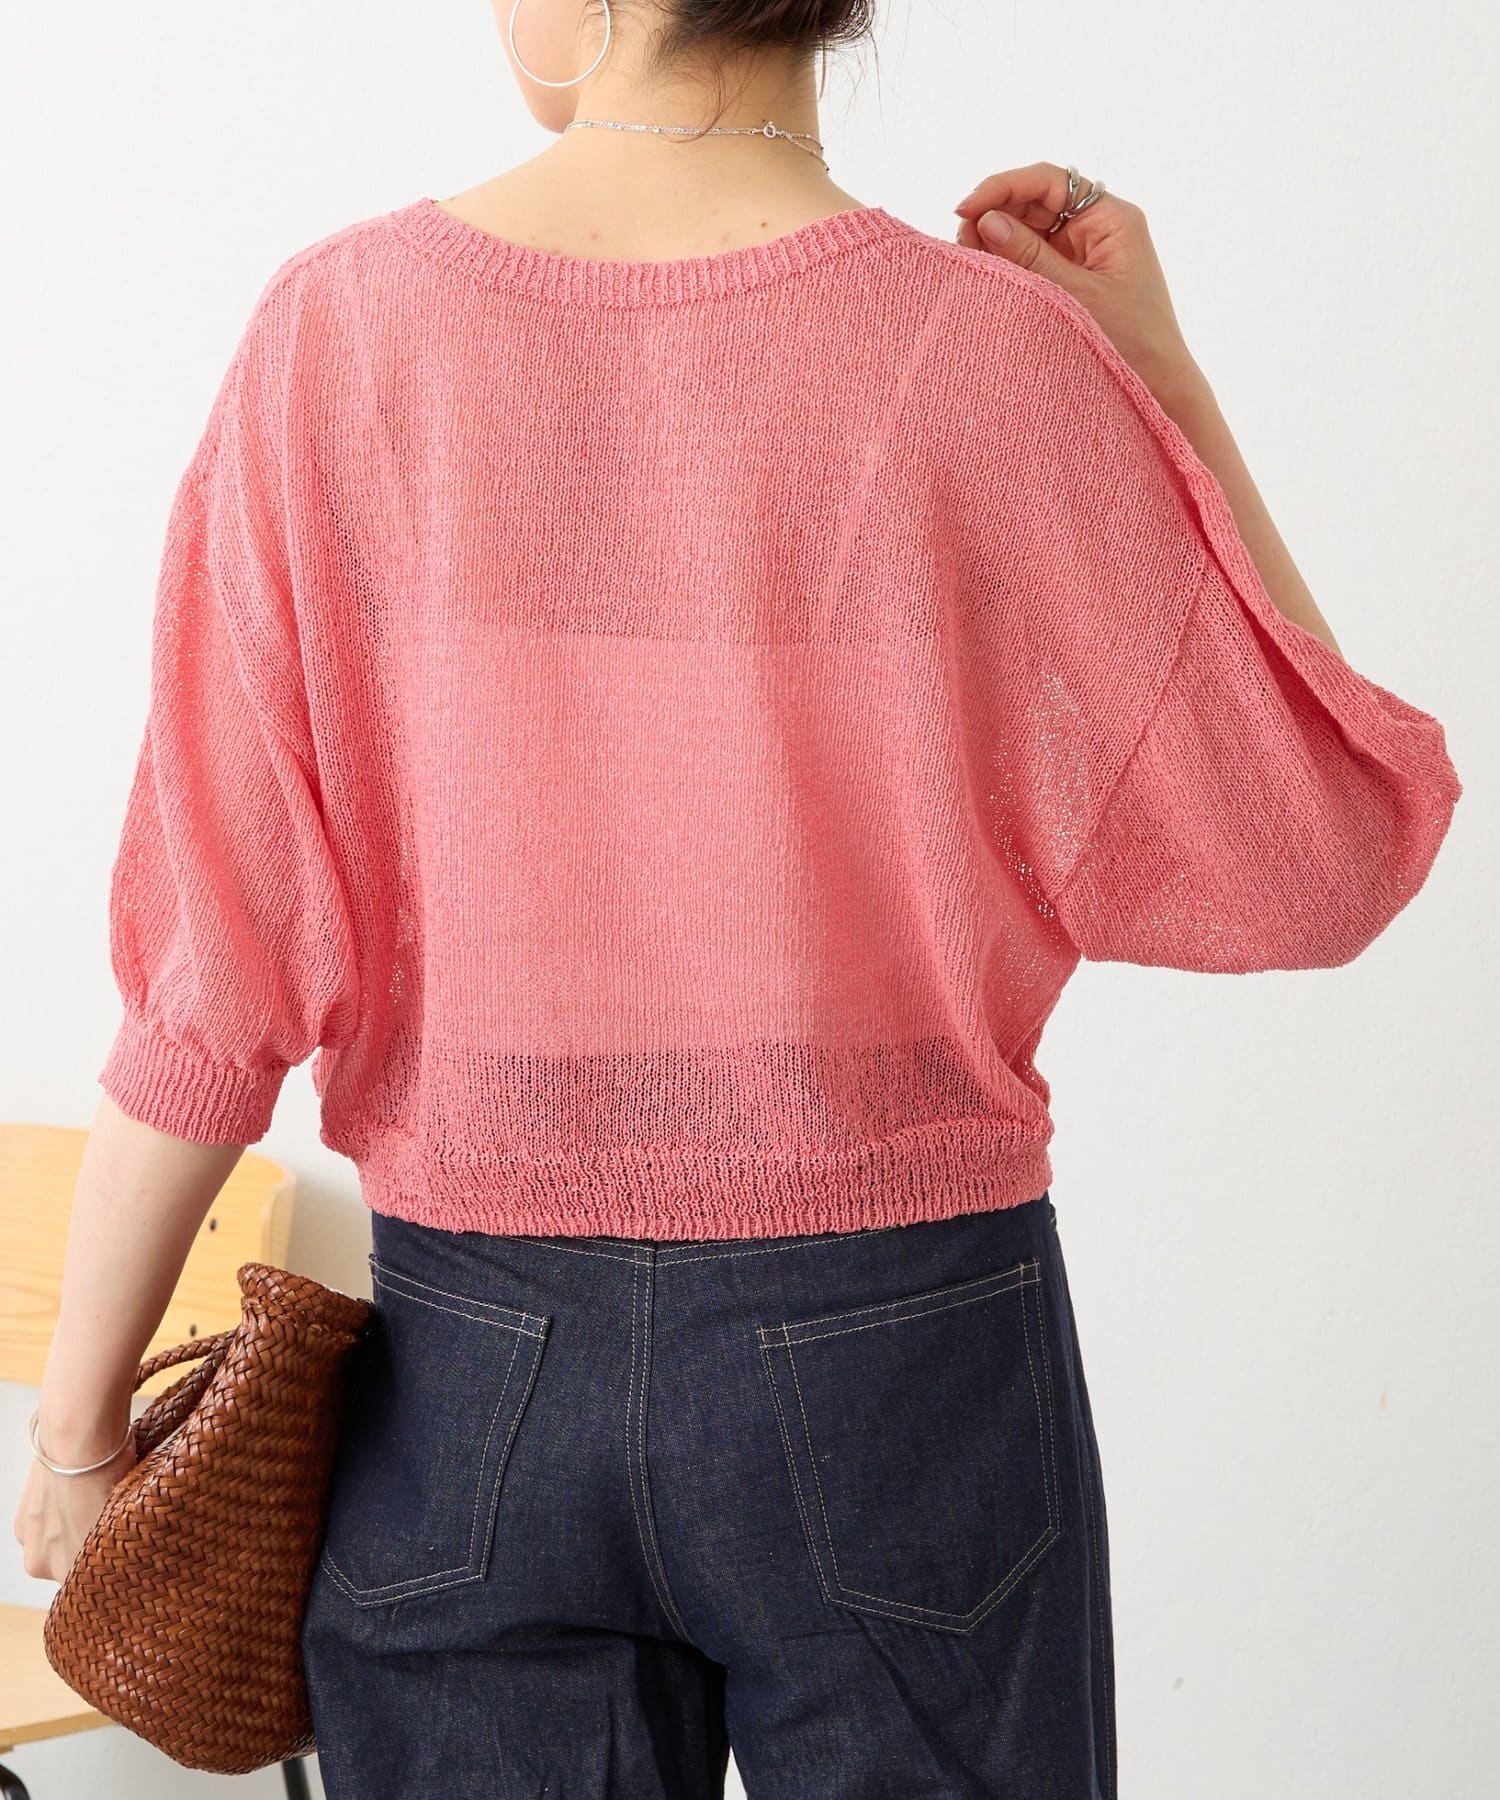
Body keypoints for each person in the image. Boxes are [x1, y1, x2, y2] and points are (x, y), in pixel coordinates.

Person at [13, 1, 1462, 1795]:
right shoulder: (995, 352)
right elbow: (1323, 857)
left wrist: (79, 1428)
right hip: (907, 1354)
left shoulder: (340, 334)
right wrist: (1161, 383)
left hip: (474, 1371)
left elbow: (217, 978)